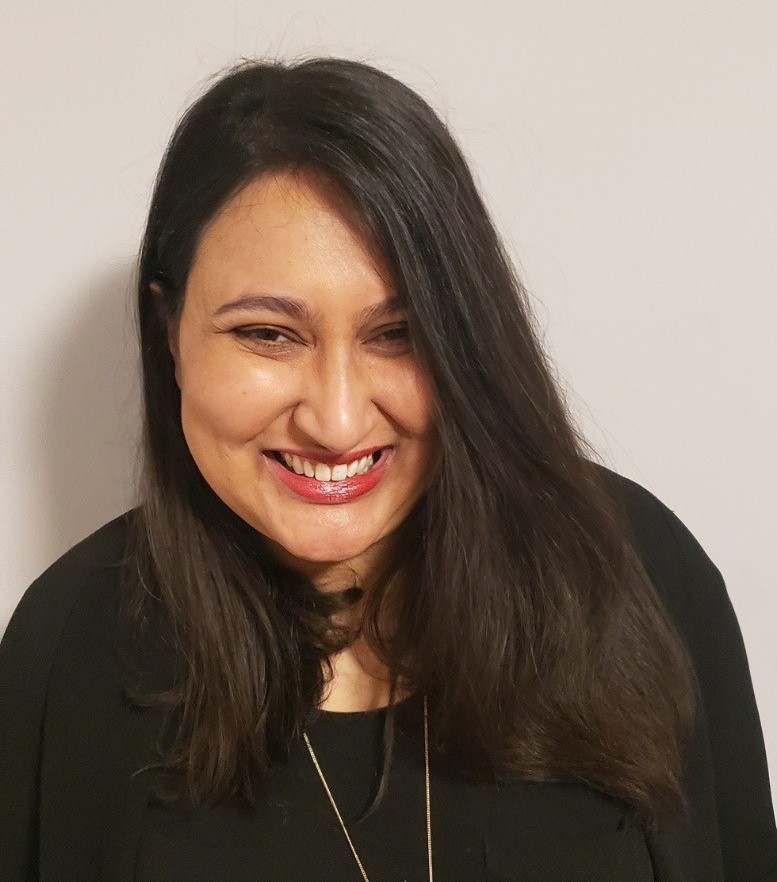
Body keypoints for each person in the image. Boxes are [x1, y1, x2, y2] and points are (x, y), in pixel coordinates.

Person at [1, 57, 775, 882]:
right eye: (267, 334)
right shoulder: (67, 653)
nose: (336, 422)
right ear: (170, 333)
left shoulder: (635, 568)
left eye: (396, 334)